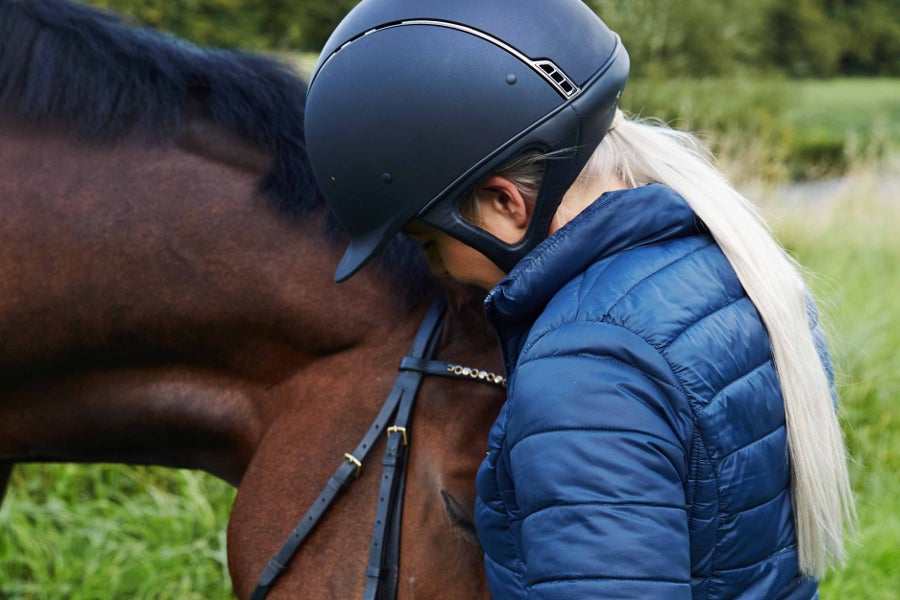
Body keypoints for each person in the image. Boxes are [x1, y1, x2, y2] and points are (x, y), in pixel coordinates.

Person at [303, 1, 855, 598]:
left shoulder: (584, 372)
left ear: (505, 205)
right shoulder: (720, 263)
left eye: (429, 243)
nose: (440, 269)